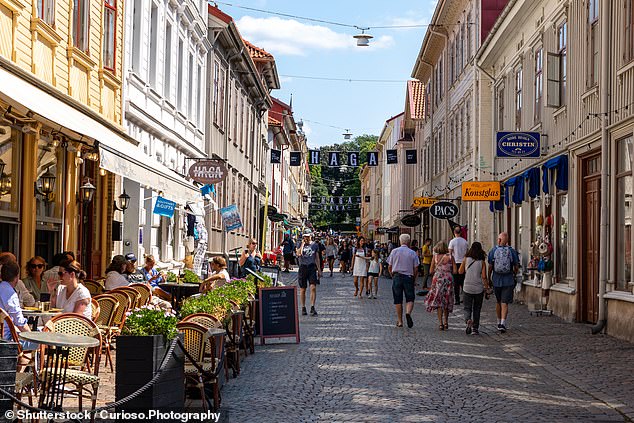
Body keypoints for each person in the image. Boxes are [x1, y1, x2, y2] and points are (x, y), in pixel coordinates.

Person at [0, 262, 37, 352]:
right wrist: (32, 336)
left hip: (4, 337)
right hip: (7, 340)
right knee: (42, 341)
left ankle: (21, 365)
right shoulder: (11, 294)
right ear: (17, 277)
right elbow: (20, 323)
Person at [488, 232, 520, 333]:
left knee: (498, 301)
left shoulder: (493, 251)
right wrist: (514, 273)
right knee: (504, 302)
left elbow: (490, 266)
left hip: (496, 279)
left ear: (499, 240)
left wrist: (489, 278)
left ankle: (498, 321)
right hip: (508, 279)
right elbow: (516, 266)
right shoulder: (512, 251)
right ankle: (503, 323)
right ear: (507, 241)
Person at [386, 234, 420, 328]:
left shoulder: (394, 251)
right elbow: (416, 267)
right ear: (408, 242)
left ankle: (400, 321)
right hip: (408, 276)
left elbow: (389, 266)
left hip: (397, 276)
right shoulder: (412, 253)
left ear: (400, 241)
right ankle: (408, 313)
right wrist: (414, 277)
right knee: (410, 298)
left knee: (398, 299)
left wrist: (392, 274)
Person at [459, 242, 489, 335]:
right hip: (478, 288)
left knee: (467, 308)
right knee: (477, 308)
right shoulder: (482, 262)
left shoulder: (466, 259)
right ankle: (475, 328)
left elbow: (460, 271)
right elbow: (484, 276)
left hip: (467, 287)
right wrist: (487, 287)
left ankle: (468, 320)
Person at [425, 241, 456, 330]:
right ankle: (446, 322)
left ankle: (440, 323)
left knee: (439, 301)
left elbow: (430, 271)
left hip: (438, 279)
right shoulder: (450, 257)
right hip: (448, 279)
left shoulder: (435, 257)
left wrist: (437, 270)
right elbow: (455, 271)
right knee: (447, 300)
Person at [296, 230, 321, 316]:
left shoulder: (315, 245)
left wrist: (319, 270)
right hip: (303, 268)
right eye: (305, 236)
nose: (306, 238)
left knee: (313, 287)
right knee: (303, 289)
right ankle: (303, 307)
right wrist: (302, 244)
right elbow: (298, 254)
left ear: (311, 236)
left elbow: (317, 258)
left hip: (311, 267)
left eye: (308, 236)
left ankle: (312, 307)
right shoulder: (300, 244)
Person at [448, 226, 469, 305]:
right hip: (463, 263)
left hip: (455, 263)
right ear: (460, 232)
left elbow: (450, 254)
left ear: (454, 232)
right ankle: (465, 298)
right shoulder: (465, 241)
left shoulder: (452, 241)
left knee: (456, 283)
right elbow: (467, 253)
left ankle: (457, 299)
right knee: (463, 281)